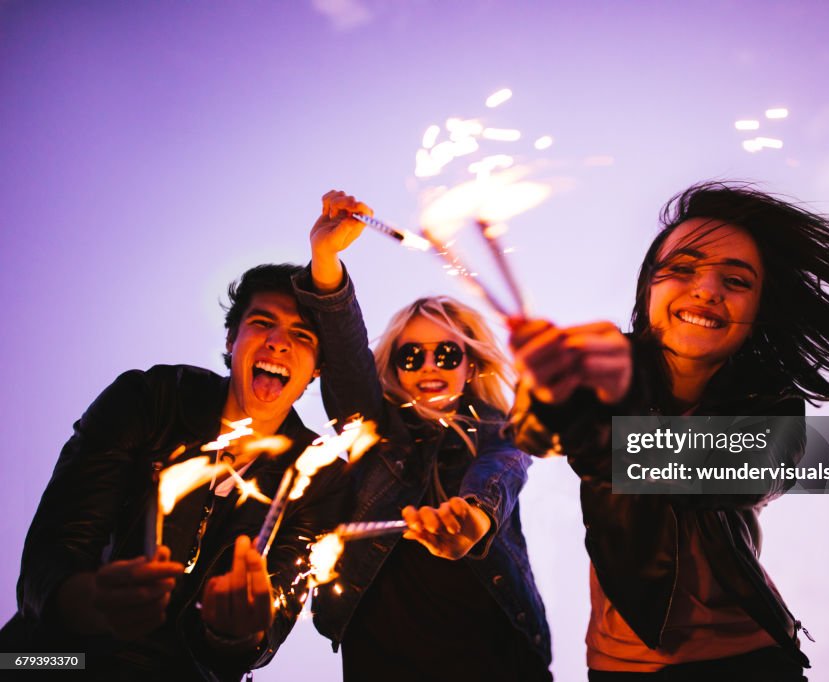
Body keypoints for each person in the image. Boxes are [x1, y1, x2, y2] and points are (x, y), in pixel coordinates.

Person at [508, 182, 829, 681]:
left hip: (756, 660)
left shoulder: (771, 400)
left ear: (758, 312)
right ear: (649, 287)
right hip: (626, 666)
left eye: (736, 281)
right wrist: (546, 393)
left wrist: (614, 420)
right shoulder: (601, 366)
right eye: (682, 269)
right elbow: (538, 437)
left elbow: (735, 476)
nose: (707, 290)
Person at [1, 263, 340, 681]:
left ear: (318, 368)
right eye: (262, 322)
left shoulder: (319, 478)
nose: (277, 342)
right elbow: (49, 560)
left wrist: (236, 634)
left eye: (301, 335)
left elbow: (265, 632)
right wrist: (90, 602)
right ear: (232, 339)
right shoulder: (149, 400)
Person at [293, 191, 552, 681]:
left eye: (447, 355)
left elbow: (502, 467)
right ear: (391, 366)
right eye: (412, 356)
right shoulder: (371, 430)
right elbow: (346, 360)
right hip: (385, 660)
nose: (430, 367)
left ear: (470, 362)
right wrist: (326, 261)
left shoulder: (501, 429)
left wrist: (474, 518)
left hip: (499, 661)